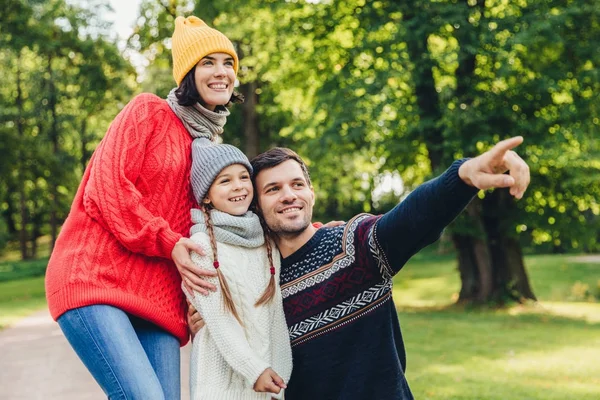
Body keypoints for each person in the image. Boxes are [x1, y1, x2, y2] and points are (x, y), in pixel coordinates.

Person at [188, 136, 529, 399]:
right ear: (257, 206)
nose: (289, 195)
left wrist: (463, 176)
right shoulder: (260, 277)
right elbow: (228, 331)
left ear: (311, 193)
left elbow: (412, 217)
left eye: (297, 184)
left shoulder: (354, 245)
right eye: (273, 189)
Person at [44, 15, 241, 399]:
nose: (221, 72)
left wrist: (315, 232)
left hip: (159, 299)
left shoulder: (211, 151)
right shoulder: (149, 112)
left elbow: (229, 223)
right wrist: (167, 241)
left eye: (228, 63)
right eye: (208, 63)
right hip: (95, 279)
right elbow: (107, 188)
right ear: (187, 73)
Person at [183, 138, 292, 399]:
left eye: (243, 177)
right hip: (219, 383)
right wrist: (254, 370)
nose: (238, 186)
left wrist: (280, 374)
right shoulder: (201, 247)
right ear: (206, 196)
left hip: (266, 383)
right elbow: (219, 321)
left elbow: (275, 313)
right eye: (225, 181)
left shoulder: (266, 243)